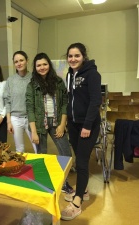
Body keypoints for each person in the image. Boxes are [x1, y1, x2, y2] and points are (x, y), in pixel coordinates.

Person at [61, 43, 102, 220]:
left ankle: (77, 202)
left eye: (76, 55)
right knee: (79, 159)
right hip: (74, 124)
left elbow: (95, 102)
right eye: (70, 56)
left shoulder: (92, 74)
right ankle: (83, 190)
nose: (73, 59)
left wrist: (86, 125)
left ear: (83, 56)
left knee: (83, 162)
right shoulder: (70, 74)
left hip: (88, 125)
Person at [25, 52, 74, 193]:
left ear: (49, 65)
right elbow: (30, 108)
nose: (42, 67)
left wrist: (62, 124)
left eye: (44, 64)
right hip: (39, 124)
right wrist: (33, 131)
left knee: (66, 153)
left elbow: (65, 103)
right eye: (38, 65)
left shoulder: (58, 82)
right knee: (42, 155)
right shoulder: (32, 85)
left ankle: (64, 183)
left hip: (56, 121)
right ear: (35, 67)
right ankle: (43, 183)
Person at [3, 50, 37, 153]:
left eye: (21, 60)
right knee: (19, 149)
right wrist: (8, 121)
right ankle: (21, 169)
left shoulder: (34, 78)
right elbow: (7, 101)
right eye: (16, 61)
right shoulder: (10, 80)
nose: (19, 63)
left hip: (31, 119)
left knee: (37, 147)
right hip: (15, 119)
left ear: (27, 61)